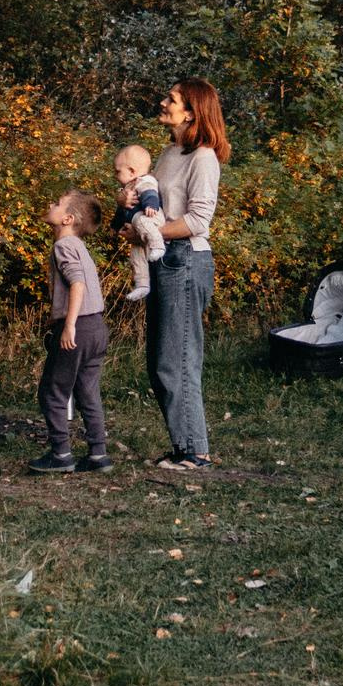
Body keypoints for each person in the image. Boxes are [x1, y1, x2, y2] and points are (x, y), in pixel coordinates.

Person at [148, 79, 227, 472]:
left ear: (191, 112)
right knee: (161, 360)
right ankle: (183, 447)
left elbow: (197, 220)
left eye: (171, 99)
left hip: (186, 261)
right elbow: (152, 202)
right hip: (161, 259)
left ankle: (196, 451)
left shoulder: (204, 158)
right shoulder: (168, 153)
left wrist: (149, 231)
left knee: (177, 359)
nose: (163, 102)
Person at [29, 189, 112, 476]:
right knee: (88, 391)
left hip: (78, 328)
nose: (49, 203)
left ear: (67, 218)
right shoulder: (79, 246)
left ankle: (61, 454)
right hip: (97, 327)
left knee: (53, 391)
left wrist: (69, 325)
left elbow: (77, 284)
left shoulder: (63, 247)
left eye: (56, 202)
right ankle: (98, 454)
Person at [113, 144, 167, 303]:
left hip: (151, 217)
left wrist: (151, 205)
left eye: (118, 171)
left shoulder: (144, 180)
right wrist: (114, 227)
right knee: (136, 255)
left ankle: (158, 244)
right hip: (140, 226)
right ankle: (142, 284)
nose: (115, 175)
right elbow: (120, 211)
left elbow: (150, 192)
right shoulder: (126, 189)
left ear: (132, 171)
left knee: (140, 219)